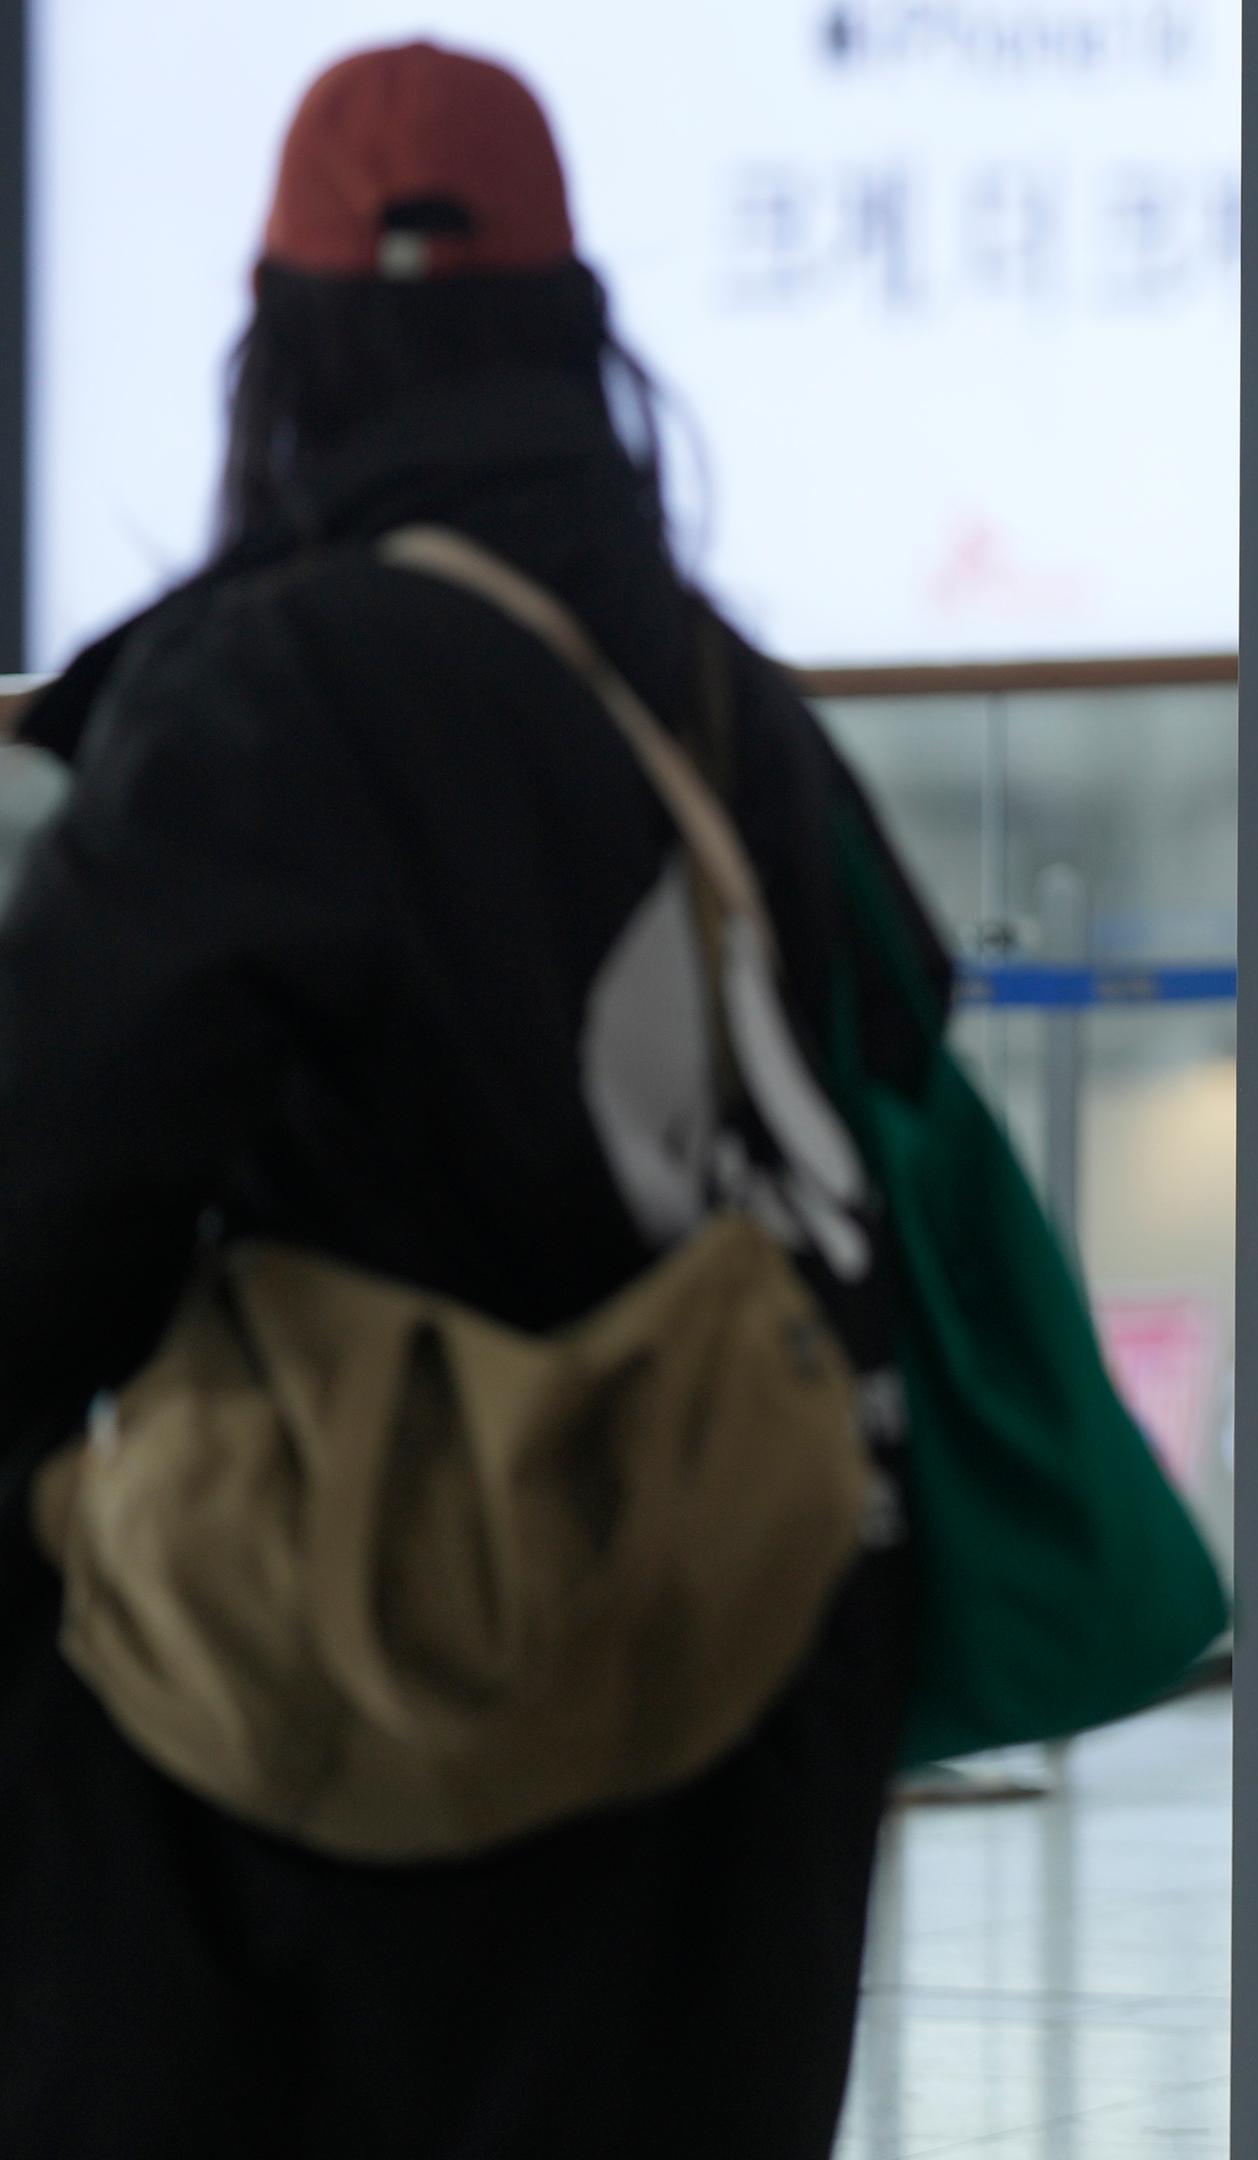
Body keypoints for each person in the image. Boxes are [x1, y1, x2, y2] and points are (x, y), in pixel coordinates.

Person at [0, 43, 940, 2156]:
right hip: (744, 1729)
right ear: (572, 330)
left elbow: (34, 1208)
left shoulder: (268, 694)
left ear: (286, 349)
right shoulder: (724, 699)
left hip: (373, 1756)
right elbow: (905, 1034)